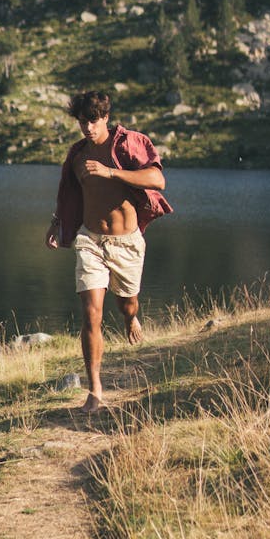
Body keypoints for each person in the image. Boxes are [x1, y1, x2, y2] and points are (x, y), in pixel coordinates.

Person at [45, 91, 172, 412]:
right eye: (81, 122)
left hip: (126, 242)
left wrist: (111, 172)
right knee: (91, 315)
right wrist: (57, 223)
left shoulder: (129, 144)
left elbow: (157, 179)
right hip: (90, 240)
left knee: (127, 303)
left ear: (105, 118)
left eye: (92, 121)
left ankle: (131, 320)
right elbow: (69, 194)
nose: (87, 127)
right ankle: (95, 390)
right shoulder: (77, 155)